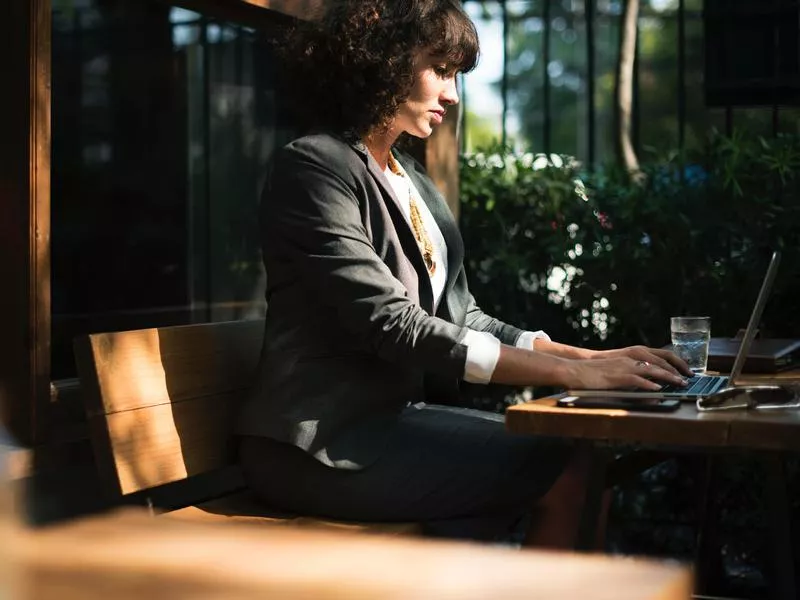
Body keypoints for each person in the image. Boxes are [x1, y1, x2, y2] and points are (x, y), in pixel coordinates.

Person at [236, 0, 691, 546]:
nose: (452, 94)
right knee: (568, 467)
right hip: (318, 448)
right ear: (384, 60)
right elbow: (393, 324)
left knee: (575, 454)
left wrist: (591, 359)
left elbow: (462, 314)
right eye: (441, 70)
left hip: (390, 427)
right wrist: (576, 378)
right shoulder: (315, 168)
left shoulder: (414, 180)